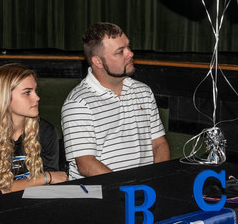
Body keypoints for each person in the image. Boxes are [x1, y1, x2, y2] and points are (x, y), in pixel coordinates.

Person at [61, 22, 169, 180]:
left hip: (142, 192)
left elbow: (159, 143)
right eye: (120, 52)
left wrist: (157, 179)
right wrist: (127, 190)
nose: (130, 54)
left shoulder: (143, 91)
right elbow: (85, 164)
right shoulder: (78, 104)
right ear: (98, 62)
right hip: (100, 196)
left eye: (128, 47)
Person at [0, 64, 67, 192]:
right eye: (27, 92)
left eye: (35, 91)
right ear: (4, 97)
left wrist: (47, 178)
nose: (37, 98)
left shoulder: (45, 131)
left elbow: (51, 187)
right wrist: (44, 177)